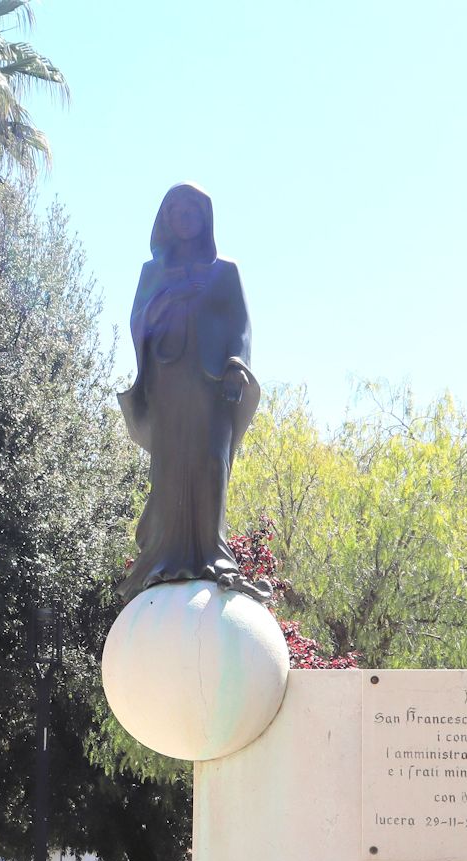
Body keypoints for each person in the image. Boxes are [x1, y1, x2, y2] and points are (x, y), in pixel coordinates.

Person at [117, 183, 271, 604]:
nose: (184, 216)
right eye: (175, 210)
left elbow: (241, 325)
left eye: (192, 209)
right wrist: (167, 299)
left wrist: (237, 364)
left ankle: (212, 554)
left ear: (206, 217)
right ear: (165, 218)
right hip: (166, 377)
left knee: (210, 461)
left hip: (211, 384)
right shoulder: (152, 273)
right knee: (169, 464)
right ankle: (164, 556)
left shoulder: (226, 271)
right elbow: (138, 321)